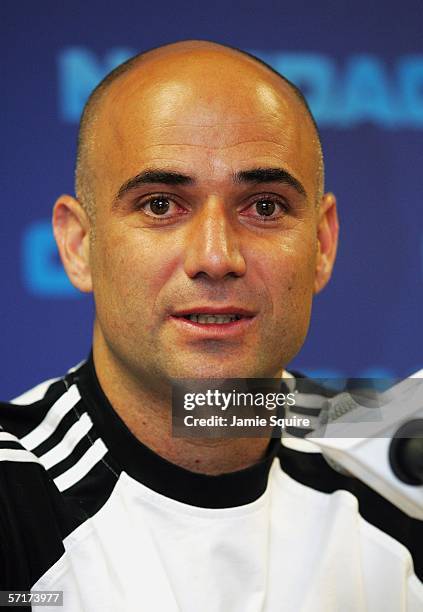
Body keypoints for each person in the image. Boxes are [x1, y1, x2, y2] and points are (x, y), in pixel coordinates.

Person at [0, 40, 421, 611]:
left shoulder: (388, 444)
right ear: (79, 245)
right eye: (160, 205)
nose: (217, 256)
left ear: (322, 244)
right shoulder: (12, 493)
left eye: (265, 206)